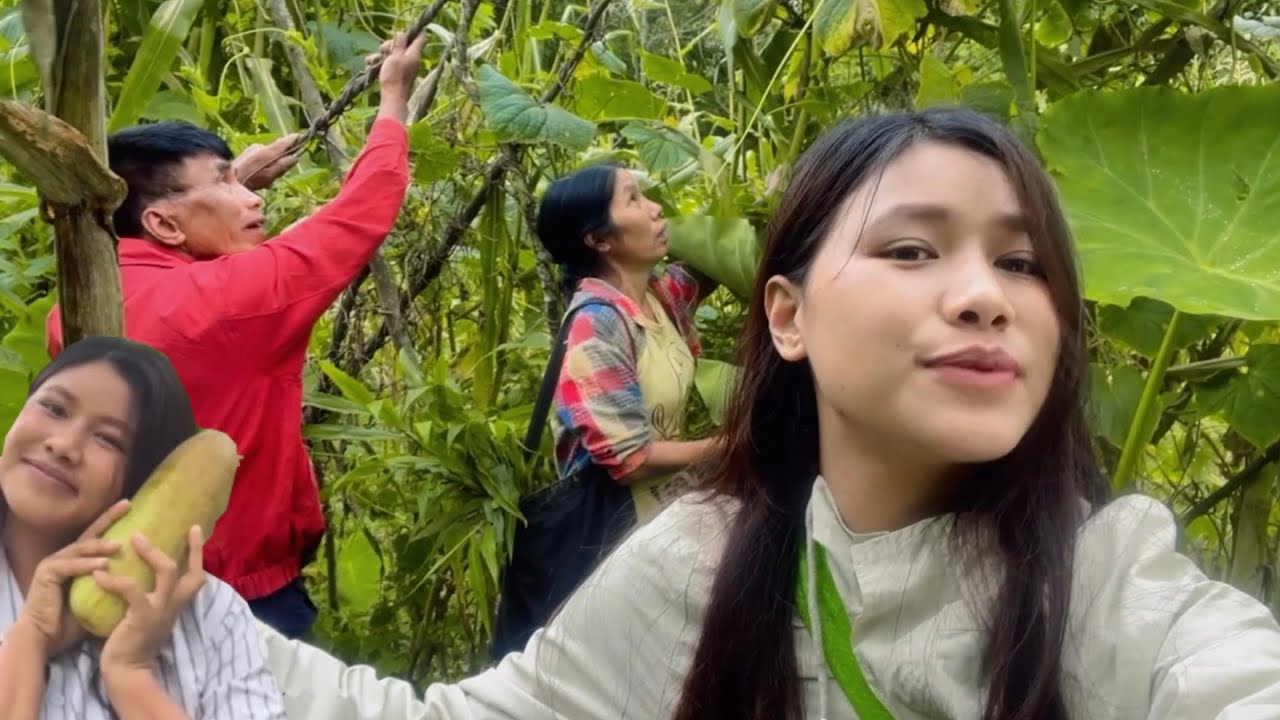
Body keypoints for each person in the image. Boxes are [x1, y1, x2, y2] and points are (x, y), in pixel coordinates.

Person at [258, 107, 1280, 719]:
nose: (985, 295)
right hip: (625, 524)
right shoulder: (688, 533)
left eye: (1021, 262)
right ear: (785, 318)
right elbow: (618, 449)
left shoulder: (1104, 581)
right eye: (911, 249)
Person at [43, 32, 427, 639]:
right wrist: (393, 99)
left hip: (126, 579)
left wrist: (233, 182)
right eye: (226, 184)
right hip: (240, 594)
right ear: (163, 222)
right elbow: (359, 212)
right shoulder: (233, 302)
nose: (250, 198)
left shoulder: (76, 307)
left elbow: (180, 252)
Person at [488, 163, 722, 657]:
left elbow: (714, 260)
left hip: (660, 530)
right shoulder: (597, 326)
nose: (656, 208)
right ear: (599, 239)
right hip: (613, 544)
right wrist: (726, 446)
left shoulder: (659, 299)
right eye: (635, 200)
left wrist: (756, 209)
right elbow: (628, 459)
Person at [0, 335, 286, 719]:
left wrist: (130, 675)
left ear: (149, 478)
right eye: (53, 407)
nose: (64, 445)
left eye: (108, 438)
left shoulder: (213, 615)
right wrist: (31, 636)